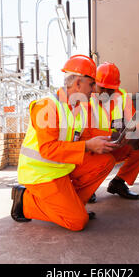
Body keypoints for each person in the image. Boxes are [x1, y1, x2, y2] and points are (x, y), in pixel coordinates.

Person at [11, 55, 119, 231]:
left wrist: (110, 138)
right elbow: (47, 149)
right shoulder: (47, 107)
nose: (94, 90)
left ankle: (74, 206)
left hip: (61, 169)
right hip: (40, 175)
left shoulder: (76, 109)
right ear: (78, 83)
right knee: (77, 222)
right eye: (91, 84)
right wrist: (87, 146)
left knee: (105, 162)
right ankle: (25, 201)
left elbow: (81, 138)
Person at [84, 62, 139, 202]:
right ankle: (85, 187)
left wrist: (133, 134)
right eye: (101, 88)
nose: (105, 92)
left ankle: (118, 183)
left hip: (113, 144)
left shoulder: (122, 96)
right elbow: (83, 133)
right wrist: (110, 135)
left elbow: (136, 123)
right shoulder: (85, 97)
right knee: (88, 152)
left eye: (109, 89)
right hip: (92, 148)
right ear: (94, 84)